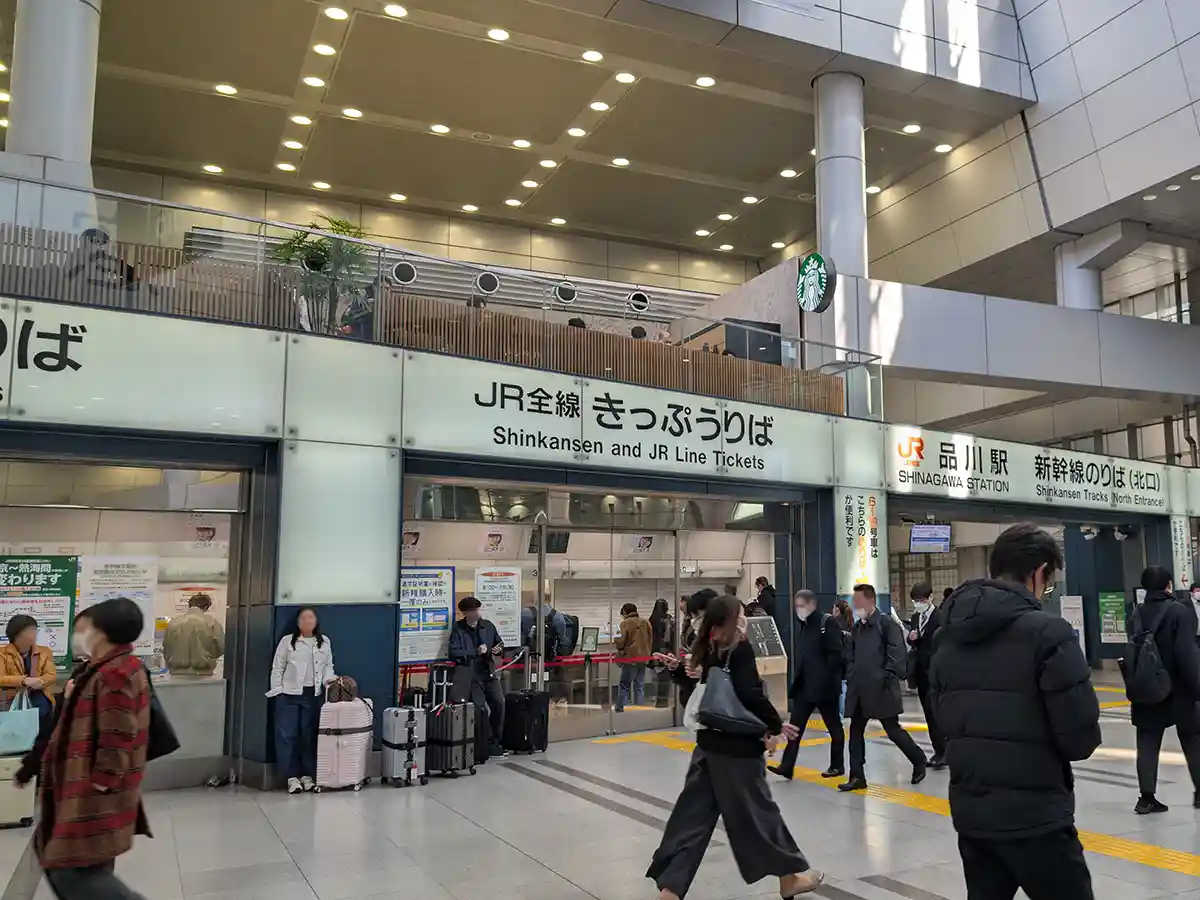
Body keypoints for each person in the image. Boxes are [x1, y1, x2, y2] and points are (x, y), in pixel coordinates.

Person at [931, 523, 1100, 900]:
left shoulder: (948, 635)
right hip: (1037, 818)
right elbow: (1080, 738)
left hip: (972, 817)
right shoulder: (1049, 633)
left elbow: (942, 719)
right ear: (1039, 572)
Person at [647, 594, 823, 899]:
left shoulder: (707, 646)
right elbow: (750, 694)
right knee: (761, 815)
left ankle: (671, 890)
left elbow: (700, 692)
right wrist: (775, 724)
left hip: (707, 749)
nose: (744, 620)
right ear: (730, 619)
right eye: (740, 615)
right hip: (738, 752)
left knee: (693, 820)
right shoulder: (739, 649)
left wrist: (678, 670)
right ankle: (788, 879)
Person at [34, 598, 151, 900]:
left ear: (101, 632)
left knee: (71, 870)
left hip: (92, 794)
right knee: (83, 867)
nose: (80, 633)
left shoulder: (114, 674)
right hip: (86, 791)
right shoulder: (111, 668)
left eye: (85, 626)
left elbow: (118, 733)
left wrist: (101, 782)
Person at [1126, 566, 1200, 813]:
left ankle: (1146, 798)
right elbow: (1187, 654)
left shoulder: (1136, 613)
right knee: (1192, 740)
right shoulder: (1179, 612)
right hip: (1178, 689)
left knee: (1147, 742)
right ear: (1168, 585)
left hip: (1146, 686)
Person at [839, 584, 926, 791]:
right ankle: (857, 776)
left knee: (892, 729)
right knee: (856, 731)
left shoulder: (886, 624)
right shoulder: (858, 627)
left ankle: (918, 759)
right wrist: (852, 674)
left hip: (881, 688)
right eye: (854, 602)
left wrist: (885, 677)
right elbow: (851, 655)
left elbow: (896, 655)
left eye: (858, 601)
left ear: (871, 601)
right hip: (860, 688)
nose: (855, 605)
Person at [771, 590, 845, 781]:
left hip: (825, 687)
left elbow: (835, 655)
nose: (799, 609)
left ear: (812, 605)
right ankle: (787, 765)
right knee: (795, 727)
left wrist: (827, 681)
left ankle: (837, 765)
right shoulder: (804, 625)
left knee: (834, 727)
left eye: (802, 605)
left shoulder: (827, 623)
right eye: (797, 606)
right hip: (805, 685)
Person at [268, 607, 337, 794]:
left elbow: (328, 667)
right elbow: (278, 667)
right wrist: (278, 691)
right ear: (297, 622)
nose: (307, 621)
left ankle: (308, 775)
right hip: (289, 695)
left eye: (311, 617)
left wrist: (329, 681)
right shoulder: (288, 642)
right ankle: (291, 777)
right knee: (287, 736)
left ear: (316, 621)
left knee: (308, 736)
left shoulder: (324, 642)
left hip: (312, 695)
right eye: (303, 618)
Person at [448, 596, 506, 757]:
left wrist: (498, 649)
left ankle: (495, 742)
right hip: (472, 676)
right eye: (473, 611)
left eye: (478, 609)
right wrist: (475, 651)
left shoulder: (487, 626)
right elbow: (454, 653)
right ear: (465, 613)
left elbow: (499, 643)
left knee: (499, 703)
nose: (477, 613)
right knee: (480, 709)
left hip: (489, 672)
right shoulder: (458, 629)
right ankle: (481, 743)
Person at [905, 582, 946, 769]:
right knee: (929, 714)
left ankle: (944, 752)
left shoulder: (940, 617)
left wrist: (922, 637)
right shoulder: (915, 618)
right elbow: (913, 640)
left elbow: (942, 642)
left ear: (930, 598)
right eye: (915, 600)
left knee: (938, 712)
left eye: (921, 600)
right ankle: (939, 751)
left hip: (936, 672)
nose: (917, 603)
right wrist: (911, 637)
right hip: (920, 673)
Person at [0, 614, 57, 729]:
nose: (34, 634)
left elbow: (51, 675)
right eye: (30, 631)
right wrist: (23, 681)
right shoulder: (2, 654)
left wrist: (40, 681)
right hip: (11, 699)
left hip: (38, 695)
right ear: (17, 634)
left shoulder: (44, 652)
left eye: (35, 630)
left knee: (41, 714)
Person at [162, 592, 226, 678]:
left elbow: (167, 647)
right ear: (206, 607)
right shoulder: (212, 623)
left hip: (176, 673)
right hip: (203, 673)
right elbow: (222, 647)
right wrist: (209, 656)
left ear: (190, 605)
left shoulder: (173, 623)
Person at [614, 603, 652, 712]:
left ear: (625, 612)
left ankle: (622, 708)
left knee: (624, 685)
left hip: (630, 658)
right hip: (643, 658)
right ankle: (639, 709)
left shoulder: (625, 623)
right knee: (639, 685)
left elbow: (619, 641)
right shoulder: (646, 622)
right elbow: (650, 640)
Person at [649, 599, 674, 708]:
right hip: (666, 652)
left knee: (655, 678)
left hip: (653, 653)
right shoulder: (668, 621)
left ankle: (657, 700)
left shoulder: (651, 620)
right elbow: (670, 638)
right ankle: (663, 701)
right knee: (665, 679)